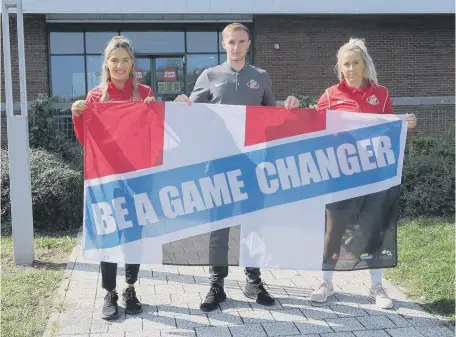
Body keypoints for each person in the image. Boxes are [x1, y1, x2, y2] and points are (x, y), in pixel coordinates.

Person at [175, 22, 300, 312]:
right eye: (231, 42)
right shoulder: (209, 76)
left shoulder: (261, 77)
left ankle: (253, 280)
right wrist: (181, 101)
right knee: (218, 225)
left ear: (248, 44)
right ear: (223, 44)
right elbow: (191, 113)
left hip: (253, 164)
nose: (236, 47)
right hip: (218, 164)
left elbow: (273, 117)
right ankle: (216, 284)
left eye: (241, 42)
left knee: (253, 224)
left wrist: (290, 106)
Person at [310, 38, 417, 309]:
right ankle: (326, 282)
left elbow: (391, 128)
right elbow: (312, 124)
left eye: (355, 62)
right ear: (340, 67)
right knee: (333, 230)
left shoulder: (380, 94)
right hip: (340, 175)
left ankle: (377, 286)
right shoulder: (330, 95)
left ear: (365, 64)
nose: (351, 68)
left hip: (373, 175)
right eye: (346, 64)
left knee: (373, 228)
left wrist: (407, 124)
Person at [71, 36, 156, 320]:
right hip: (107, 179)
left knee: (133, 235)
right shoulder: (95, 97)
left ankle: (130, 288)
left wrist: (155, 113)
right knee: (108, 235)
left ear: (133, 63)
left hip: (138, 178)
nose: (120, 65)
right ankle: (110, 292)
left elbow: (154, 138)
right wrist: (77, 116)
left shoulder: (144, 93)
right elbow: (88, 143)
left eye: (125, 60)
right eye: (114, 60)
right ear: (107, 63)